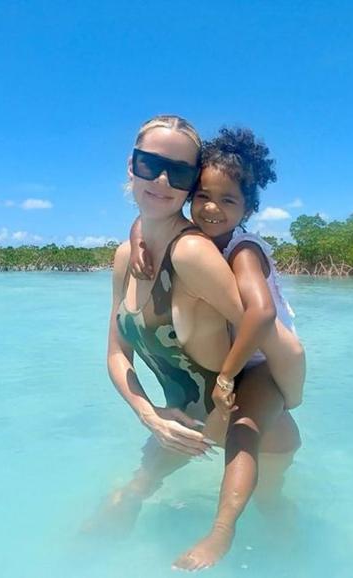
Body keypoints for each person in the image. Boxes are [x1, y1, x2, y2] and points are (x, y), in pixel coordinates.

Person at [88, 116, 301, 571]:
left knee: (271, 513)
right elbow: (114, 352)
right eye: (150, 164)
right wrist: (149, 414)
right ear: (132, 166)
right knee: (128, 495)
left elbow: (274, 335)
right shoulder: (128, 253)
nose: (162, 179)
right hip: (181, 423)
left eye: (180, 173)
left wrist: (291, 394)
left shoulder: (198, 253)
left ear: (189, 182)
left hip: (254, 428)